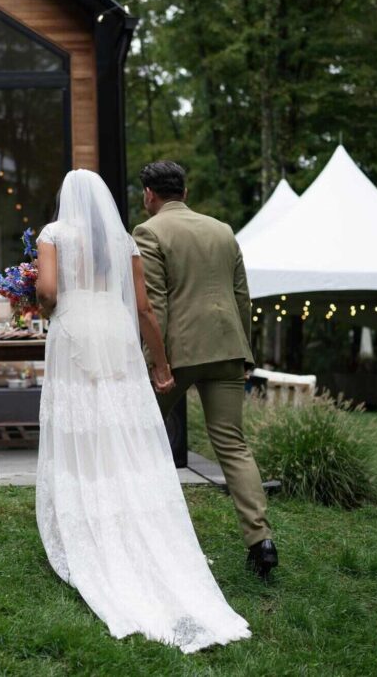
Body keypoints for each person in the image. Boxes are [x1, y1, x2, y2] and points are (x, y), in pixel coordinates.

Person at [34, 169, 251, 654]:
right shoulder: (122, 239)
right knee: (121, 423)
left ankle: (86, 514)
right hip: (114, 332)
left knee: (80, 425)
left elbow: (48, 291)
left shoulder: (53, 235)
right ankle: (134, 512)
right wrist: (161, 364)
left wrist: (43, 306)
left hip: (74, 332)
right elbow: (145, 307)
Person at [133, 160, 278, 578]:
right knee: (233, 445)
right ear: (185, 190)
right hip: (228, 346)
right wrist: (243, 351)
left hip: (176, 356)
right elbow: (242, 298)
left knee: (142, 435)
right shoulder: (222, 230)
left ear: (149, 195)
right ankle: (261, 540)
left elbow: (153, 304)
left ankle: (143, 530)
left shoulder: (149, 232)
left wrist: (156, 363)